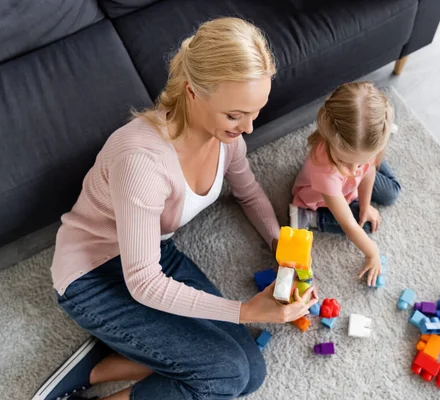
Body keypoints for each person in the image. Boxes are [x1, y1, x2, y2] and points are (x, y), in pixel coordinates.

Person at [33, 17, 317, 400]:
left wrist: (281, 248)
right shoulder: (141, 161)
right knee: (225, 376)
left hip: (154, 252)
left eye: (255, 112)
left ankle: (100, 366)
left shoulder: (226, 139)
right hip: (92, 278)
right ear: (192, 92)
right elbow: (145, 283)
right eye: (235, 115)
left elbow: (249, 194)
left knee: (251, 372)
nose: (248, 128)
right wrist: (245, 311)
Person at [289, 82, 401, 287]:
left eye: (359, 160)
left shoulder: (359, 162)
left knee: (391, 193)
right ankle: (310, 218)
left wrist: (366, 206)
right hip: (321, 198)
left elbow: (367, 173)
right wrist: (372, 252)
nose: (353, 169)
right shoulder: (324, 171)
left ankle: (372, 142)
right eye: (344, 160)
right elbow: (349, 224)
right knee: (364, 226)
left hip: (350, 186)